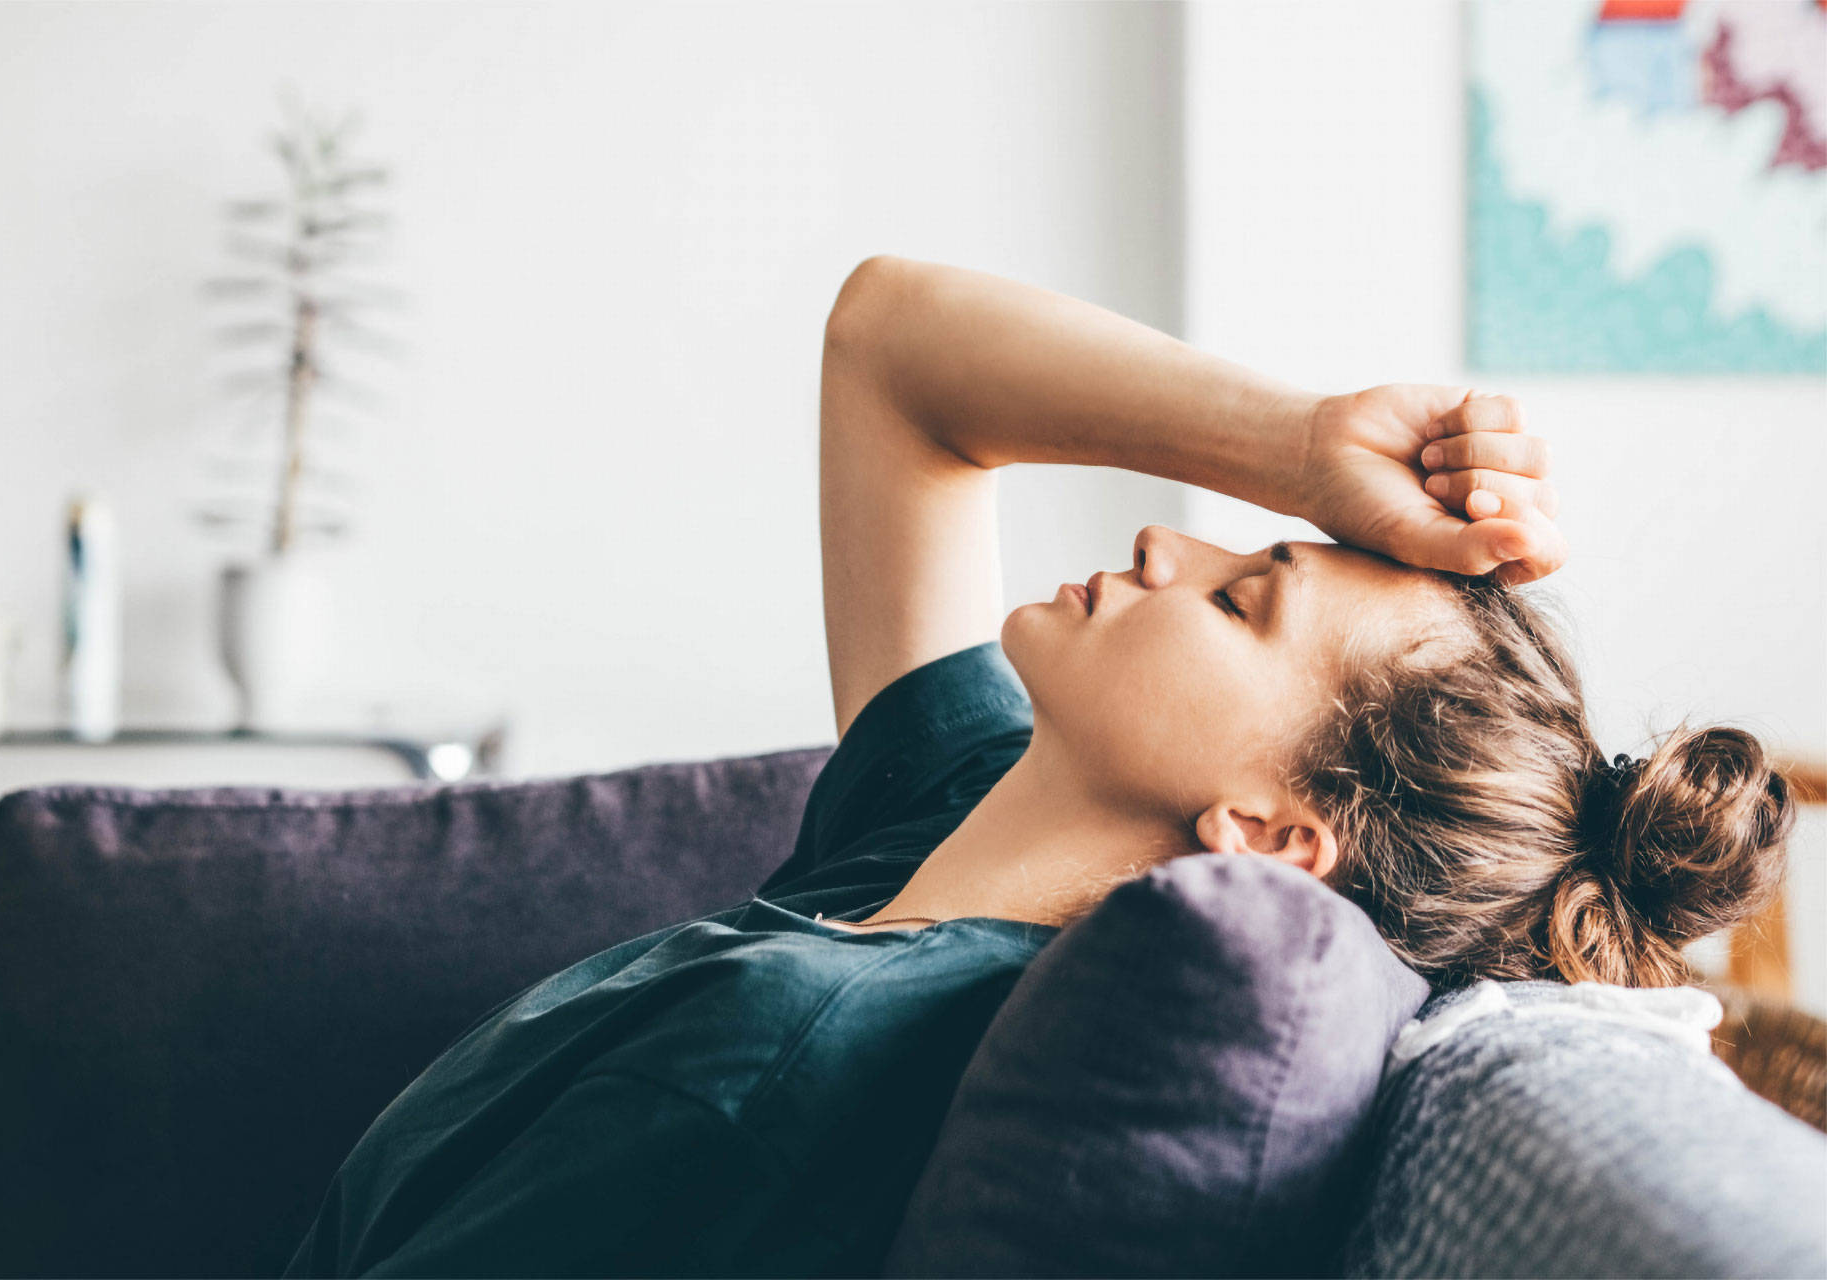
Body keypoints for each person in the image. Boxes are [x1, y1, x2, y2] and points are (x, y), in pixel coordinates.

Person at [284, 256, 1794, 1277]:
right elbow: (892, 341)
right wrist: (1305, 444)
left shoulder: (787, 1053)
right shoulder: (944, 826)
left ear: (1269, 835)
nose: (1164, 536)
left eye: (1239, 596)